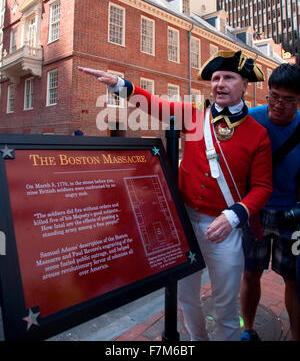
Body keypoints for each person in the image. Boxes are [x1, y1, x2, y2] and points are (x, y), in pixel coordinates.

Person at [78, 49, 273, 341]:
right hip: (184, 224)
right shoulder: (195, 116)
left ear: (245, 85)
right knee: (187, 298)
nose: (220, 84)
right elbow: (156, 105)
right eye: (216, 78)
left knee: (225, 309)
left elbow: (262, 188)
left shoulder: (257, 134)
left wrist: (234, 216)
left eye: (229, 78)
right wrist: (119, 84)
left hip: (224, 229)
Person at [240, 62, 300, 341]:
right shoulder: (250, 118)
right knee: (251, 273)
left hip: (293, 213)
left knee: (294, 279)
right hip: (256, 211)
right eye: (274, 97)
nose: (279, 105)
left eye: (288, 101)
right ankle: (247, 329)